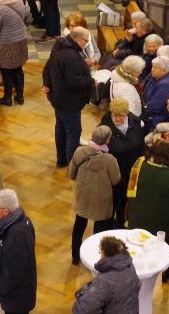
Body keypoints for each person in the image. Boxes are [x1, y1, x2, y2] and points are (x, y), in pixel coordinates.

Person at [42, 26, 94, 167]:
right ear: (78, 39)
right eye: (86, 40)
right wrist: (92, 80)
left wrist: (47, 83)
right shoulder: (71, 56)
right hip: (69, 102)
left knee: (60, 129)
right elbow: (75, 83)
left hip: (58, 98)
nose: (87, 43)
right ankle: (72, 164)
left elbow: (48, 67)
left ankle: (61, 160)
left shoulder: (59, 47)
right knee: (73, 133)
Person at [68, 125, 120, 263]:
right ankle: (96, 259)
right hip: (101, 200)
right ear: (107, 141)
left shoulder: (79, 152)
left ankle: (75, 256)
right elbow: (116, 180)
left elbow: (71, 174)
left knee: (79, 224)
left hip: (82, 195)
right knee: (100, 230)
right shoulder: (110, 160)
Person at [125, 139, 169, 245]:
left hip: (137, 214)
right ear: (165, 155)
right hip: (158, 220)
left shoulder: (140, 162)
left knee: (136, 244)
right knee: (157, 248)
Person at [99, 98, 145, 225]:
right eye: (115, 116)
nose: (118, 119)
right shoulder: (104, 128)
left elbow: (141, 146)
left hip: (130, 171)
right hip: (113, 174)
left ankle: (120, 220)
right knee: (111, 201)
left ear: (127, 114)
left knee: (125, 198)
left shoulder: (137, 123)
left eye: (121, 116)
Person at [140, 56, 169, 129]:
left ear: (164, 71)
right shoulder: (155, 74)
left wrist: (139, 115)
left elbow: (154, 107)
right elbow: (143, 85)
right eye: (153, 67)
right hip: (147, 108)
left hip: (158, 119)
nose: (152, 70)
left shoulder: (167, 84)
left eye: (156, 68)